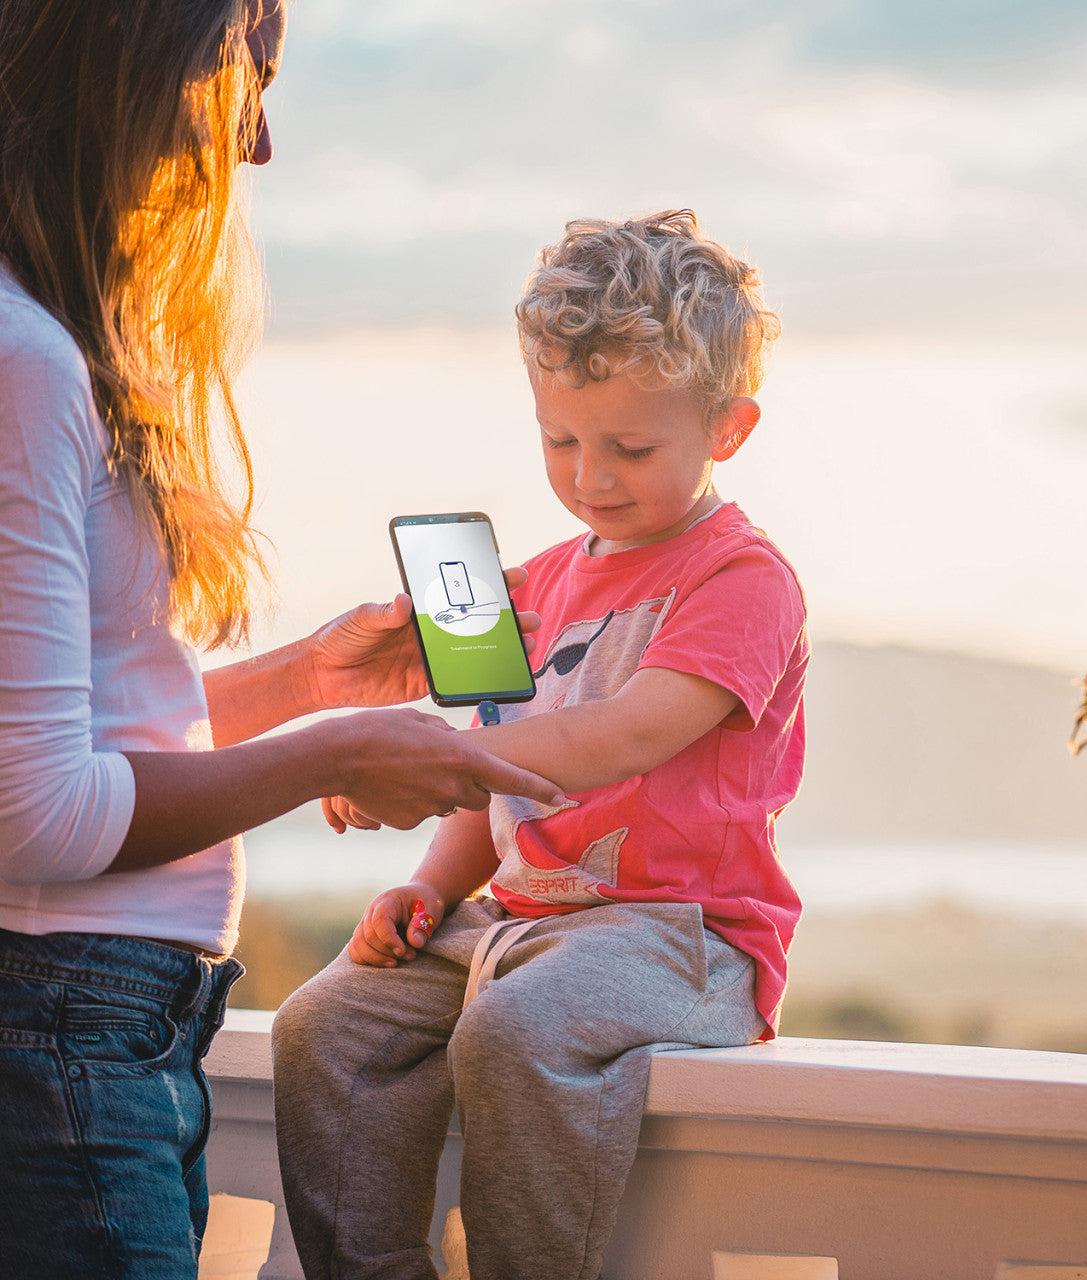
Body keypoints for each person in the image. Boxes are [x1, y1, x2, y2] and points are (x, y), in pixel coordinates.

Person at [0, 4, 563, 1277]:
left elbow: (79, 723)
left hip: (104, 1027)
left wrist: (310, 678)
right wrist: (335, 753)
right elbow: (33, 812)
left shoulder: (45, 342)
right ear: (127, 52)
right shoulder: (26, 361)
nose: (256, 143)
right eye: (240, 73)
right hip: (62, 1027)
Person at [271, 209, 809, 1280]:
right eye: (560, 440)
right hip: (515, 924)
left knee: (512, 1031)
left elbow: (627, 733)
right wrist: (429, 884)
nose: (590, 476)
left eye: (630, 448)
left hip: (681, 937)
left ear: (728, 428)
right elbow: (497, 774)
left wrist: (424, 763)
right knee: (323, 1024)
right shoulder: (538, 583)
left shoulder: (740, 577)